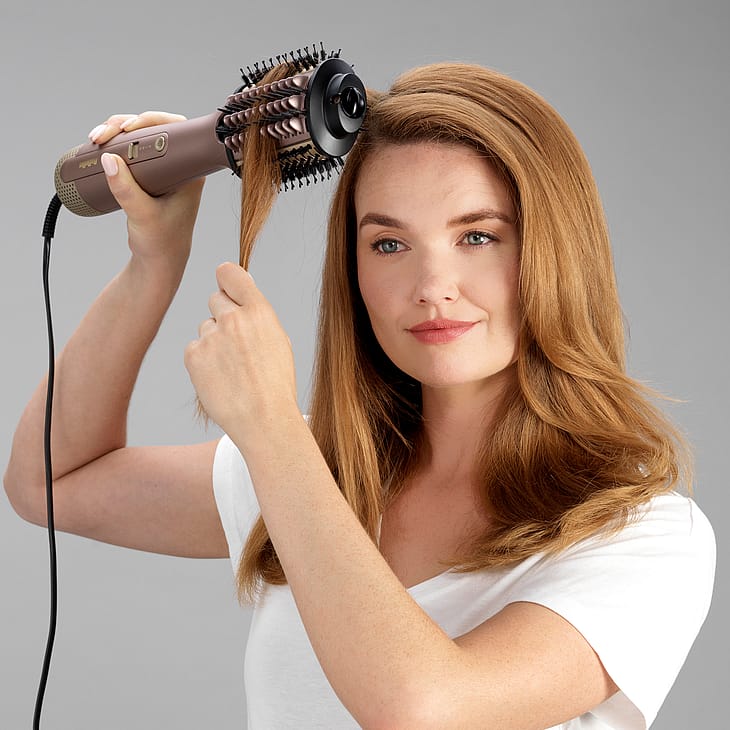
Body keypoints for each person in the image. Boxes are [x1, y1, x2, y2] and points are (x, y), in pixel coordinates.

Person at [4, 62, 716, 729]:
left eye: (477, 236)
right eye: (388, 244)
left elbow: (423, 709)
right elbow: (51, 482)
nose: (432, 287)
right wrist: (154, 262)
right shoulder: (321, 472)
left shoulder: (643, 538)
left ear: (557, 252)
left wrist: (271, 427)